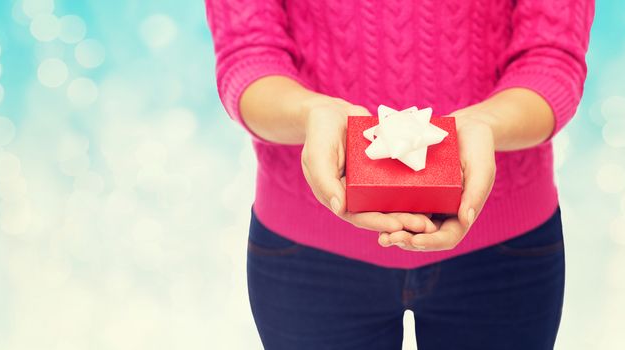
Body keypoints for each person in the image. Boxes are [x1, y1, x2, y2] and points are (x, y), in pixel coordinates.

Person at [205, 1, 594, 349]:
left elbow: (552, 58)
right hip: (306, 252)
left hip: (504, 249)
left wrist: (487, 124)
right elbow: (248, 55)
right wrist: (310, 114)